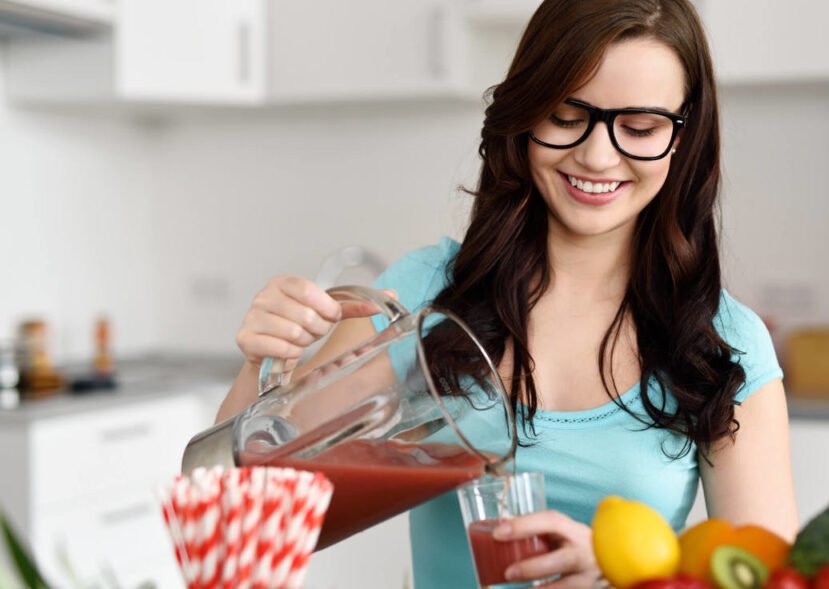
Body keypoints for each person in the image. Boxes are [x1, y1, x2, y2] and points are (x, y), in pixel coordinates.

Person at [217, 0, 799, 586]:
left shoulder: (723, 344)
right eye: (568, 116)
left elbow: (772, 578)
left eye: (640, 128)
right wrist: (260, 372)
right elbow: (238, 523)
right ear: (526, 113)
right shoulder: (425, 295)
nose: (597, 155)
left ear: (684, 135)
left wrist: (630, 576)